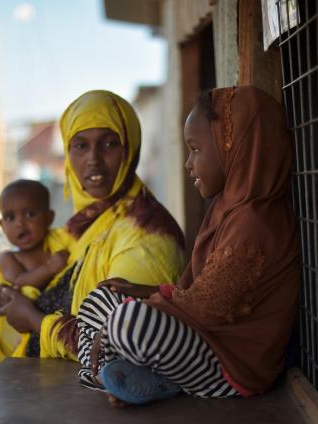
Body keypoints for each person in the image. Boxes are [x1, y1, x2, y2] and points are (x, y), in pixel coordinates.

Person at [76, 86, 300, 405]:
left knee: (130, 322)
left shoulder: (257, 221)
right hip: (201, 341)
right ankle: (117, 378)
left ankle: (126, 376)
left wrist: (145, 304)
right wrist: (149, 293)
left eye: (195, 149)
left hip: (231, 367)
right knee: (100, 299)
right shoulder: (227, 209)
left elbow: (209, 307)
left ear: (232, 147)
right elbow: (193, 292)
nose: (188, 164)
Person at [0, 90, 186, 369]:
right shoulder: (85, 225)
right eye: (80, 146)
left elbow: (115, 344)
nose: (93, 159)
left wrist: (33, 319)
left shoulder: (148, 236)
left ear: (130, 149)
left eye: (109, 144)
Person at [0, 179, 70, 361]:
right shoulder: (9, 258)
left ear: (49, 218)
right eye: (10, 217)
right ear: (2, 225)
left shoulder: (57, 245)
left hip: (55, 331)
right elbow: (18, 282)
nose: (20, 223)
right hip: (26, 337)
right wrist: (50, 268)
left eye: (30, 214)